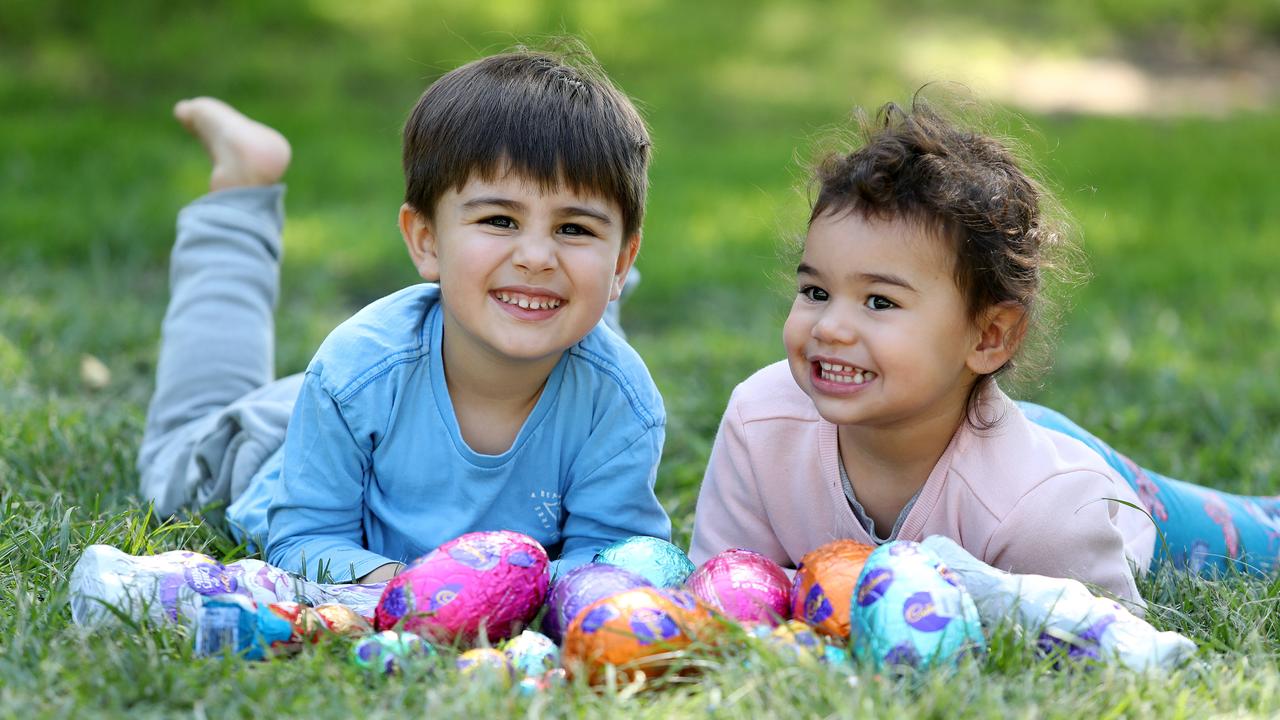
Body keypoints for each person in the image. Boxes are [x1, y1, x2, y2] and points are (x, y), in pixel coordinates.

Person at [689, 98, 1280, 604]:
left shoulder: (1046, 511)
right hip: (975, 424)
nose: (831, 327)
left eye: (879, 302)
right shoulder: (759, 423)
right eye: (816, 291)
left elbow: (1107, 635)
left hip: (1098, 489)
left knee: (1259, 535)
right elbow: (728, 590)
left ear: (989, 336)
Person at [137, 48, 670, 584]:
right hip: (275, 447)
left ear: (624, 259)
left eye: (574, 228)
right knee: (184, 432)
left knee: (571, 328)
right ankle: (240, 190)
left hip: (384, 394)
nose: (535, 255)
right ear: (425, 241)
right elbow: (304, 539)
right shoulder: (356, 370)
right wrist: (411, 588)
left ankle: (589, 281)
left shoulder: (621, 405)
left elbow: (609, 562)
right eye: (500, 219)